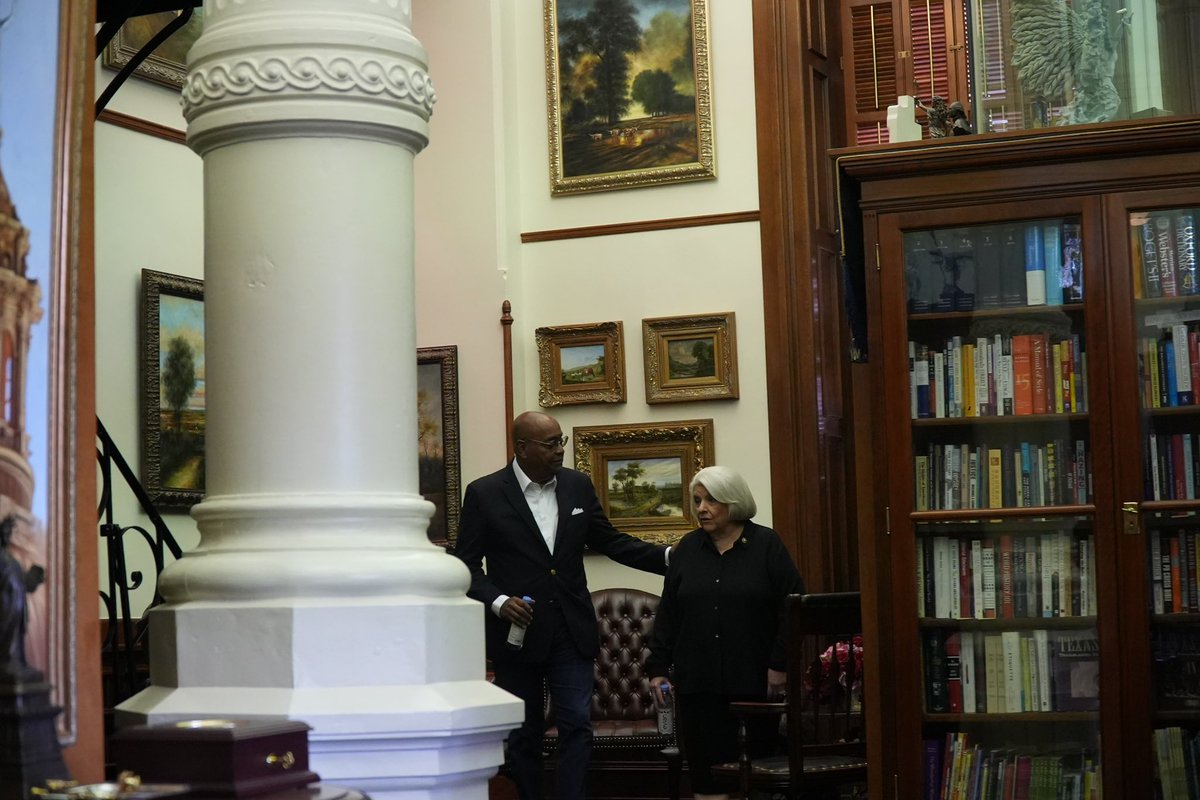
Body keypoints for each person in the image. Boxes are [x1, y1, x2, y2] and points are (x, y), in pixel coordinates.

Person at [454, 411, 670, 800]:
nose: (559, 450)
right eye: (550, 443)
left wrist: (670, 559)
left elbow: (611, 541)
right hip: (515, 635)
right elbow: (465, 565)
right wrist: (500, 602)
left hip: (571, 630)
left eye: (561, 441)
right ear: (521, 448)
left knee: (577, 726)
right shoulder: (484, 493)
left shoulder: (576, 486)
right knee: (523, 734)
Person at [646, 466, 804, 800]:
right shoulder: (687, 549)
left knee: (754, 778)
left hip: (753, 684)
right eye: (697, 500)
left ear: (734, 502)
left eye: (711, 500)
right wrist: (657, 669)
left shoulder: (767, 545)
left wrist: (779, 664)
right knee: (707, 781)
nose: (701, 508)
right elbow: (669, 614)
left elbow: (792, 609)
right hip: (698, 687)